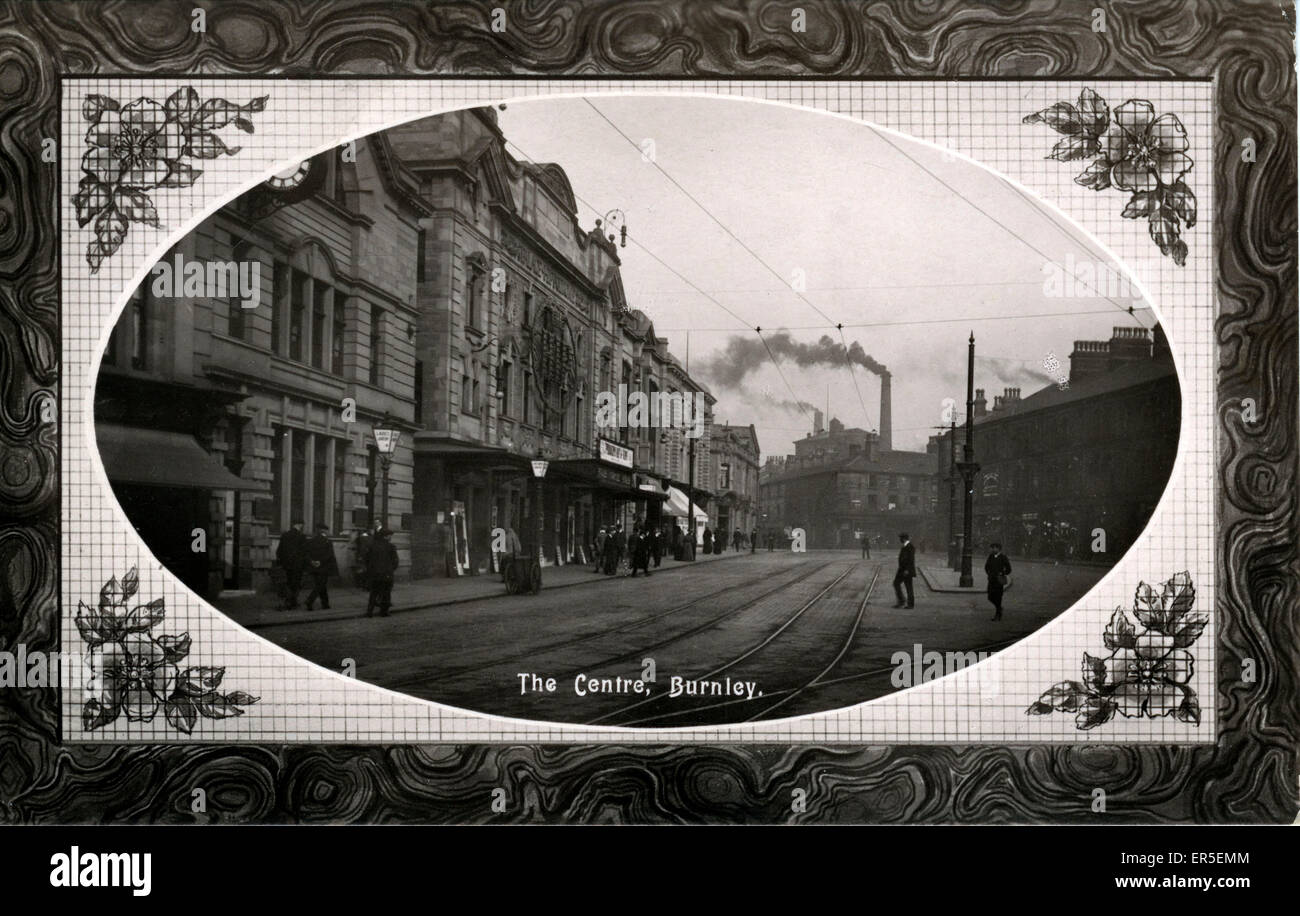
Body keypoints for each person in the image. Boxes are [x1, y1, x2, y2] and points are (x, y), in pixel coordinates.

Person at [304, 524, 339, 611]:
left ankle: (325, 604)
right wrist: (320, 562)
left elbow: (306, 554)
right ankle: (310, 600)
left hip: (314, 567)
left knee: (320, 585)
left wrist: (312, 562)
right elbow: (329, 555)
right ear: (324, 531)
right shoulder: (327, 541)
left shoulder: (310, 541)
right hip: (324, 567)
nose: (328, 532)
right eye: (327, 530)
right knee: (320, 585)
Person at [366, 527, 398, 618]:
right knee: (386, 593)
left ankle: (369, 612)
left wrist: (371, 570)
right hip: (386, 574)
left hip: (375, 574)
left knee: (373, 593)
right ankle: (384, 612)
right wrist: (391, 569)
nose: (391, 537)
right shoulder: (391, 547)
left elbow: (367, 559)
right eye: (390, 536)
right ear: (386, 536)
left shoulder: (372, 545)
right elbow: (395, 561)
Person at [275, 520, 307, 610]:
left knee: (289, 582)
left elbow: (279, 551)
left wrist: (282, 562)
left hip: (287, 565)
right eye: (302, 525)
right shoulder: (301, 536)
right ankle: (292, 602)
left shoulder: (285, 535)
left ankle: (289, 601)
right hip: (298, 565)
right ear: (299, 525)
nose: (302, 526)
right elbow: (304, 552)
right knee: (296, 583)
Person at [985, 542, 1012, 621]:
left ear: (998, 549)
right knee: (990, 597)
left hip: (999, 580)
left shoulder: (1003, 557)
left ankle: (998, 614)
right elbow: (986, 566)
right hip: (991, 580)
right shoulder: (990, 556)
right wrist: (989, 573)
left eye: (994, 548)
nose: (992, 549)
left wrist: (1002, 573)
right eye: (992, 548)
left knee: (998, 597)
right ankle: (999, 608)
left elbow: (1009, 569)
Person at [893, 531, 915, 609]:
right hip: (902, 570)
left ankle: (909, 604)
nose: (900, 539)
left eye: (901, 538)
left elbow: (910, 560)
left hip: (906, 570)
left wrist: (907, 570)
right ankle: (902, 601)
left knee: (908, 586)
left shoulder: (910, 546)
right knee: (896, 583)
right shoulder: (905, 546)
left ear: (904, 538)